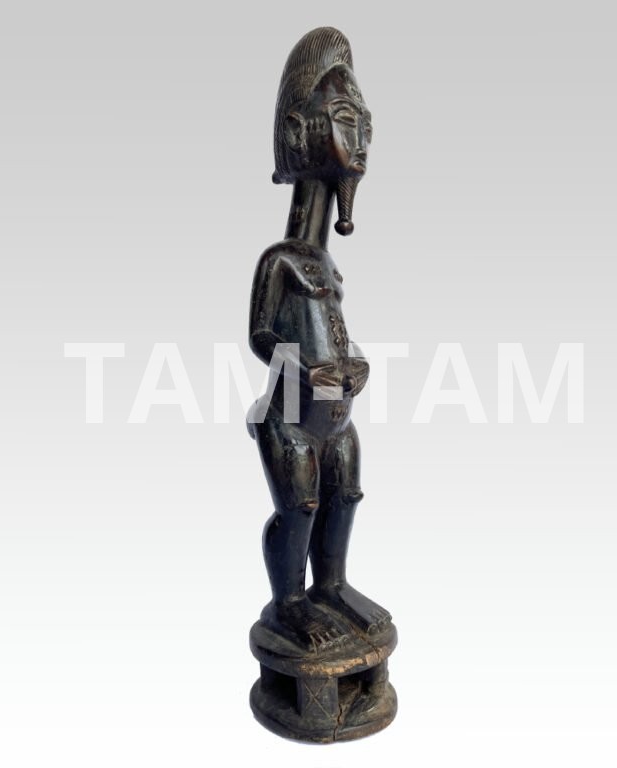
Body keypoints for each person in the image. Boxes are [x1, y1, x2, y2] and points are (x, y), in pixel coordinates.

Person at [247, 27, 391, 652]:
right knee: (300, 508)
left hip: (337, 418)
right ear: (302, 131)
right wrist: (304, 373)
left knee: (346, 496)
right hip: (291, 420)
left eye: (365, 126)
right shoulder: (280, 260)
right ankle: (288, 604)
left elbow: (335, 334)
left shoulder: (326, 263)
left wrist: (353, 364)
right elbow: (260, 336)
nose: (360, 140)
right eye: (345, 120)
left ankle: (331, 587)